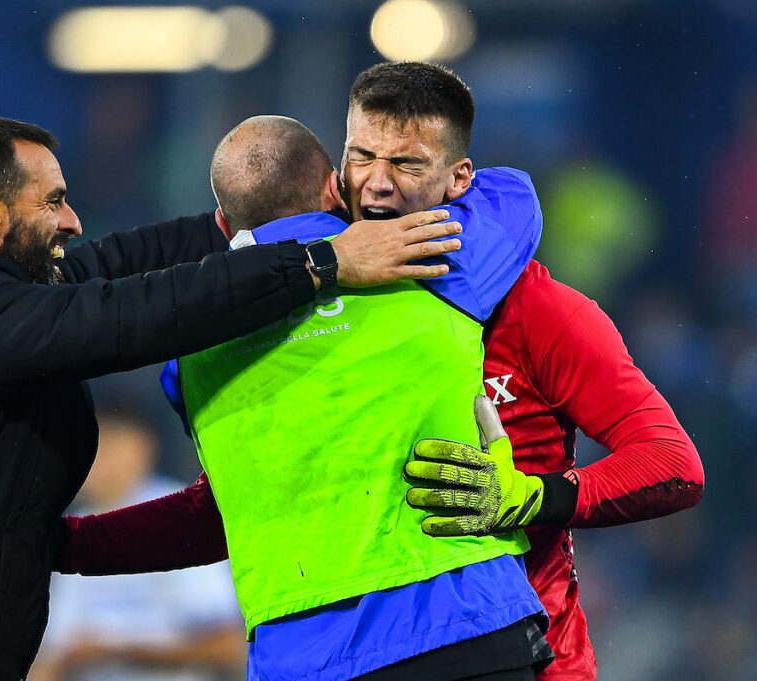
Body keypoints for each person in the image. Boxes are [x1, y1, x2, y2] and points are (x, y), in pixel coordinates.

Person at [56, 62, 705, 681]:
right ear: (336, 176)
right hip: (392, 641)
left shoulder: (529, 305)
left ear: (459, 180)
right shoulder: (285, 310)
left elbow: (671, 461)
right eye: (362, 157)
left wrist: (536, 496)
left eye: (407, 163)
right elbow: (229, 508)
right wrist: (66, 546)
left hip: (524, 646)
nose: (377, 184)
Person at [0, 114, 465, 681]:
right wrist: (320, 262)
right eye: (54, 201)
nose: (72, 222)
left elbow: (113, 267)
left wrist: (256, 222)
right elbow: (124, 315)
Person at [65, 113, 552, 681]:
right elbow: (512, 193)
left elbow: (222, 508)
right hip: (464, 629)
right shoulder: (434, 264)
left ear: (223, 223)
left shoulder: (189, 356)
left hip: (301, 656)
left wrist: (66, 545)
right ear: (334, 187)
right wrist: (376, 197)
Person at [29, 409, 244, 681]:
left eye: (105, 445)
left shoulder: (178, 515)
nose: (89, 460)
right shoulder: (71, 529)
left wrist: (115, 649)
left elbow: (227, 645)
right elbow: (53, 657)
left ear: (140, 447)